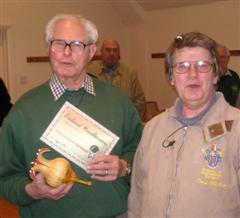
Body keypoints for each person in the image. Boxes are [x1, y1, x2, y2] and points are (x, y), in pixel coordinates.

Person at [0, 14, 143, 218]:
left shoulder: (117, 101)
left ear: (92, 51)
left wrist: (124, 166)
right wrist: (31, 190)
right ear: (49, 49)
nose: (66, 53)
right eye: (59, 43)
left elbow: (142, 152)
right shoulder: (23, 110)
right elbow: (5, 178)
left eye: (76, 45)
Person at [128, 31, 240, 218]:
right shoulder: (152, 128)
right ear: (171, 78)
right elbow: (137, 195)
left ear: (215, 75)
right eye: (183, 66)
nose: (193, 74)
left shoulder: (236, 128)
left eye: (203, 66)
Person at [87, 39, 146, 118]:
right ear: (101, 52)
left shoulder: (130, 73)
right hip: (98, 122)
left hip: (124, 122)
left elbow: (140, 101)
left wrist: (130, 120)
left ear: (119, 54)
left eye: (115, 50)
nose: (111, 54)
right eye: (108, 50)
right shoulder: (90, 71)